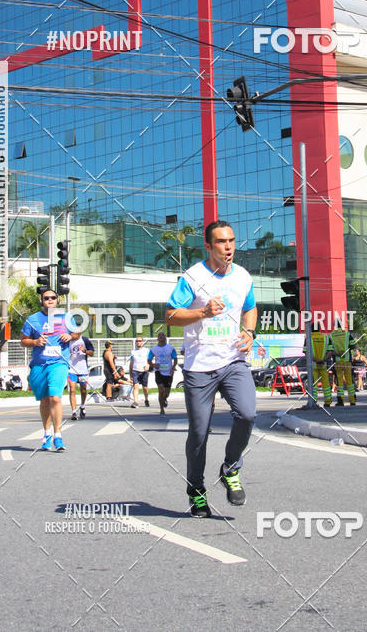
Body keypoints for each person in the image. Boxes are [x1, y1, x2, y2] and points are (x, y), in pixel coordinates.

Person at [166, 220, 257, 518]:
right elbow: (171, 315)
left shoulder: (243, 277)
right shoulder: (192, 278)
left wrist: (249, 332)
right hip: (199, 366)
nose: (228, 246)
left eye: (231, 240)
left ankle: (231, 467)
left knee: (246, 414)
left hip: (233, 360)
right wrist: (202, 312)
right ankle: (196, 489)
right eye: (220, 242)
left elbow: (250, 307)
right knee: (199, 433)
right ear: (208, 246)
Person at [20, 289, 77, 451]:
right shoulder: (33, 319)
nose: (50, 300)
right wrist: (35, 341)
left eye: (53, 298)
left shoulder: (65, 317)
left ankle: (58, 435)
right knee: (45, 400)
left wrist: (70, 336)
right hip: (39, 364)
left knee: (55, 397)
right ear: (42, 301)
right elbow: (23, 341)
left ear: (57, 300)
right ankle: (47, 434)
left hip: (59, 363)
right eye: (46, 298)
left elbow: (77, 333)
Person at [148, 332, 177, 415]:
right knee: (161, 389)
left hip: (168, 372)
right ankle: (161, 409)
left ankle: (164, 398)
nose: (161, 337)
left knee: (167, 392)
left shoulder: (170, 348)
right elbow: (149, 360)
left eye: (163, 335)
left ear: (165, 338)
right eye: (160, 336)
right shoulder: (154, 349)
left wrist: (173, 368)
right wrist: (153, 365)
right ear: (157, 339)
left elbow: (175, 358)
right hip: (159, 371)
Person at [68, 331, 94, 419]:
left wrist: (85, 351)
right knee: (72, 389)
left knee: (83, 390)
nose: (71, 335)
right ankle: (74, 412)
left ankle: (82, 406)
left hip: (83, 370)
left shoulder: (85, 340)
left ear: (78, 333)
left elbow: (92, 353)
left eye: (73, 333)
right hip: (71, 370)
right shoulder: (68, 341)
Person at [330, 324, 356, 406]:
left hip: (337, 362)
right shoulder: (347, 334)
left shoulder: (331, 336)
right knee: (350, 381)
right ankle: (352, 401)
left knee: (339, 382)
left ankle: (340, 401)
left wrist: (337, 354)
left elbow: (330, 350)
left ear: (334, 326)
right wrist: (347, 350)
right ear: (341, 326)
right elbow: (354, 345)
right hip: (347, 361)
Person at [310, 329, 332, 407]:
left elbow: (306, 352)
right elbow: (330, 351)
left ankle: (314, 401)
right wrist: (324, 359)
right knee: (326, 384)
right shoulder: (325, 338)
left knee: (313, 385)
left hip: (313, 365)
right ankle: (328, 402)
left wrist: (316, 360)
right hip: (323, 365)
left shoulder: (309, 338)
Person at [129, 336, 151, 408]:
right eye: (137, 341)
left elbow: (150, 360)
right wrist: (130, 373)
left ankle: (146, 399)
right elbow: (131, 363)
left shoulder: (147, 350)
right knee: (136, 386)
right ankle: (135, 402)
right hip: (136, 370)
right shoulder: (133, 352)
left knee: (145, 387)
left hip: (144, 371)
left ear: (142, 342)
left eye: (140, 341)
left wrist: (148, 365)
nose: (138, 342)